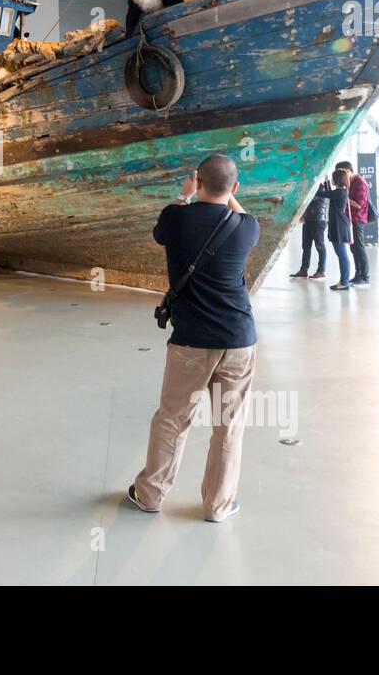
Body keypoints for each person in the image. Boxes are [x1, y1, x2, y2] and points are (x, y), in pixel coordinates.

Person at [128, 154, 258, 523]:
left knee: (173, 417)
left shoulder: (175, 216)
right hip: (239, 339)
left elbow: (160, 234)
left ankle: (150, 495)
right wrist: (226, 193)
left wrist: (186, 196)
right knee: (228, 424)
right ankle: (218, 506)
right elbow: (240, 214)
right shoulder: (247, 227)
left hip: (191, 340)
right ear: (235, 188)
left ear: (196, 181)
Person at [336, 160, 370, 286]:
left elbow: (360, 204)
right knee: (353, 247)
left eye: (341, 172)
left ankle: (365, 276)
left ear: (348, 170)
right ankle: (358, 274)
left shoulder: (360, 182)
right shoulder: (350, 183)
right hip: (350, 219)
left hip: (358, 219)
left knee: (359, 247)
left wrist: (345, 198)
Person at [289, 179, 329, 279]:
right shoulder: (311, 186)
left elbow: (312, 199)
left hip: (318, 220)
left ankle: (321, 271)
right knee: (306, 246)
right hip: (308, 220)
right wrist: (303, 215)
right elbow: (307, 202)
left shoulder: (322, 187)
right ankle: (304, 270)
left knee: (320, 246)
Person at [326, 169, 354, 291]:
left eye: (332, 178)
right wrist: (326, 182)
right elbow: (328, 193)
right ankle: (343, 280)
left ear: (337, 179)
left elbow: (324, 194)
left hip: (340, 226)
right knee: (341, 255)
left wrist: (318, 184)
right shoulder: (341, 191)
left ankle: (345, 281)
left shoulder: (340, 192)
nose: (332, 180)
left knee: (342, 255)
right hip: (338, 224)